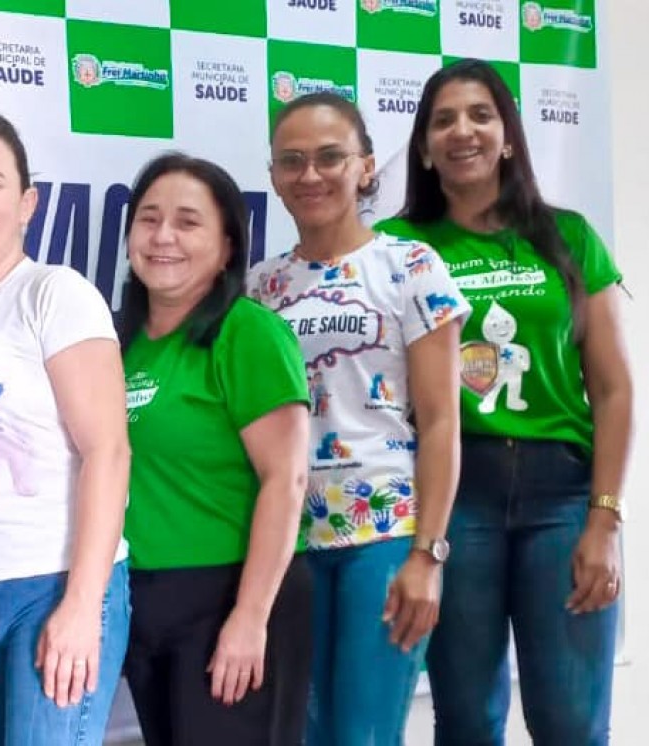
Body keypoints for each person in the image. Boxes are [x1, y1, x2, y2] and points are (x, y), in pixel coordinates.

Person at [376, 58, 632, 746]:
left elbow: (613, 389)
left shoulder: (568, 236)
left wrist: (605, 519)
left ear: (510, 136)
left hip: (563, 499)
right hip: (454, 498)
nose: (463, 131)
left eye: (481, 115)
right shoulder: (396, 248)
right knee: (466, 720)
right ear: (423, 148)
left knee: (571, 723)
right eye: (443, 120)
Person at [249, 92, 468, 746]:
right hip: (288, 543)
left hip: (385, 534)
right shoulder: (258, 289)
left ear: (366, 167)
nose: (310, 174)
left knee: (364, 736)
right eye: (292, 161)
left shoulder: (411, 266)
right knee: (303, 733)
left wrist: (428, 555)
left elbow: (441, 423)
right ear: (273, 176)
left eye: (329, 157)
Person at [0, 107, 131, 746]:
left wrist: (82, 604)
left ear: (27, 202)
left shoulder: (54, 293)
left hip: (53, 581)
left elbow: (109, 452)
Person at [121, 152, 314, 746]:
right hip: (142, 600)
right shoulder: (118, 343)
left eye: (188, 222)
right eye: (149, 219)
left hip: (230, 595)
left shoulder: (247, 331)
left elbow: (287, 479)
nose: (163, 236)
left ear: (228, 247)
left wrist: (250, 617)